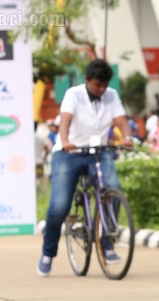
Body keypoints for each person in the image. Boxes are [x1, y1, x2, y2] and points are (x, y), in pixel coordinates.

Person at [38, 59, 133, 276]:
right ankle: (47, 253)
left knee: (113, 189)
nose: (101, 90)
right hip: (69, 153)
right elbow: (65, 121)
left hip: (98, 152)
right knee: (60, 206)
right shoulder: (74, 94)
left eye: (105, 85)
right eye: (97, 85)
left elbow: (122, 121)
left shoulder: (111, 96)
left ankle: (107, 243)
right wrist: (65, 140)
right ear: (87, 80)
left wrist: (127, 137)